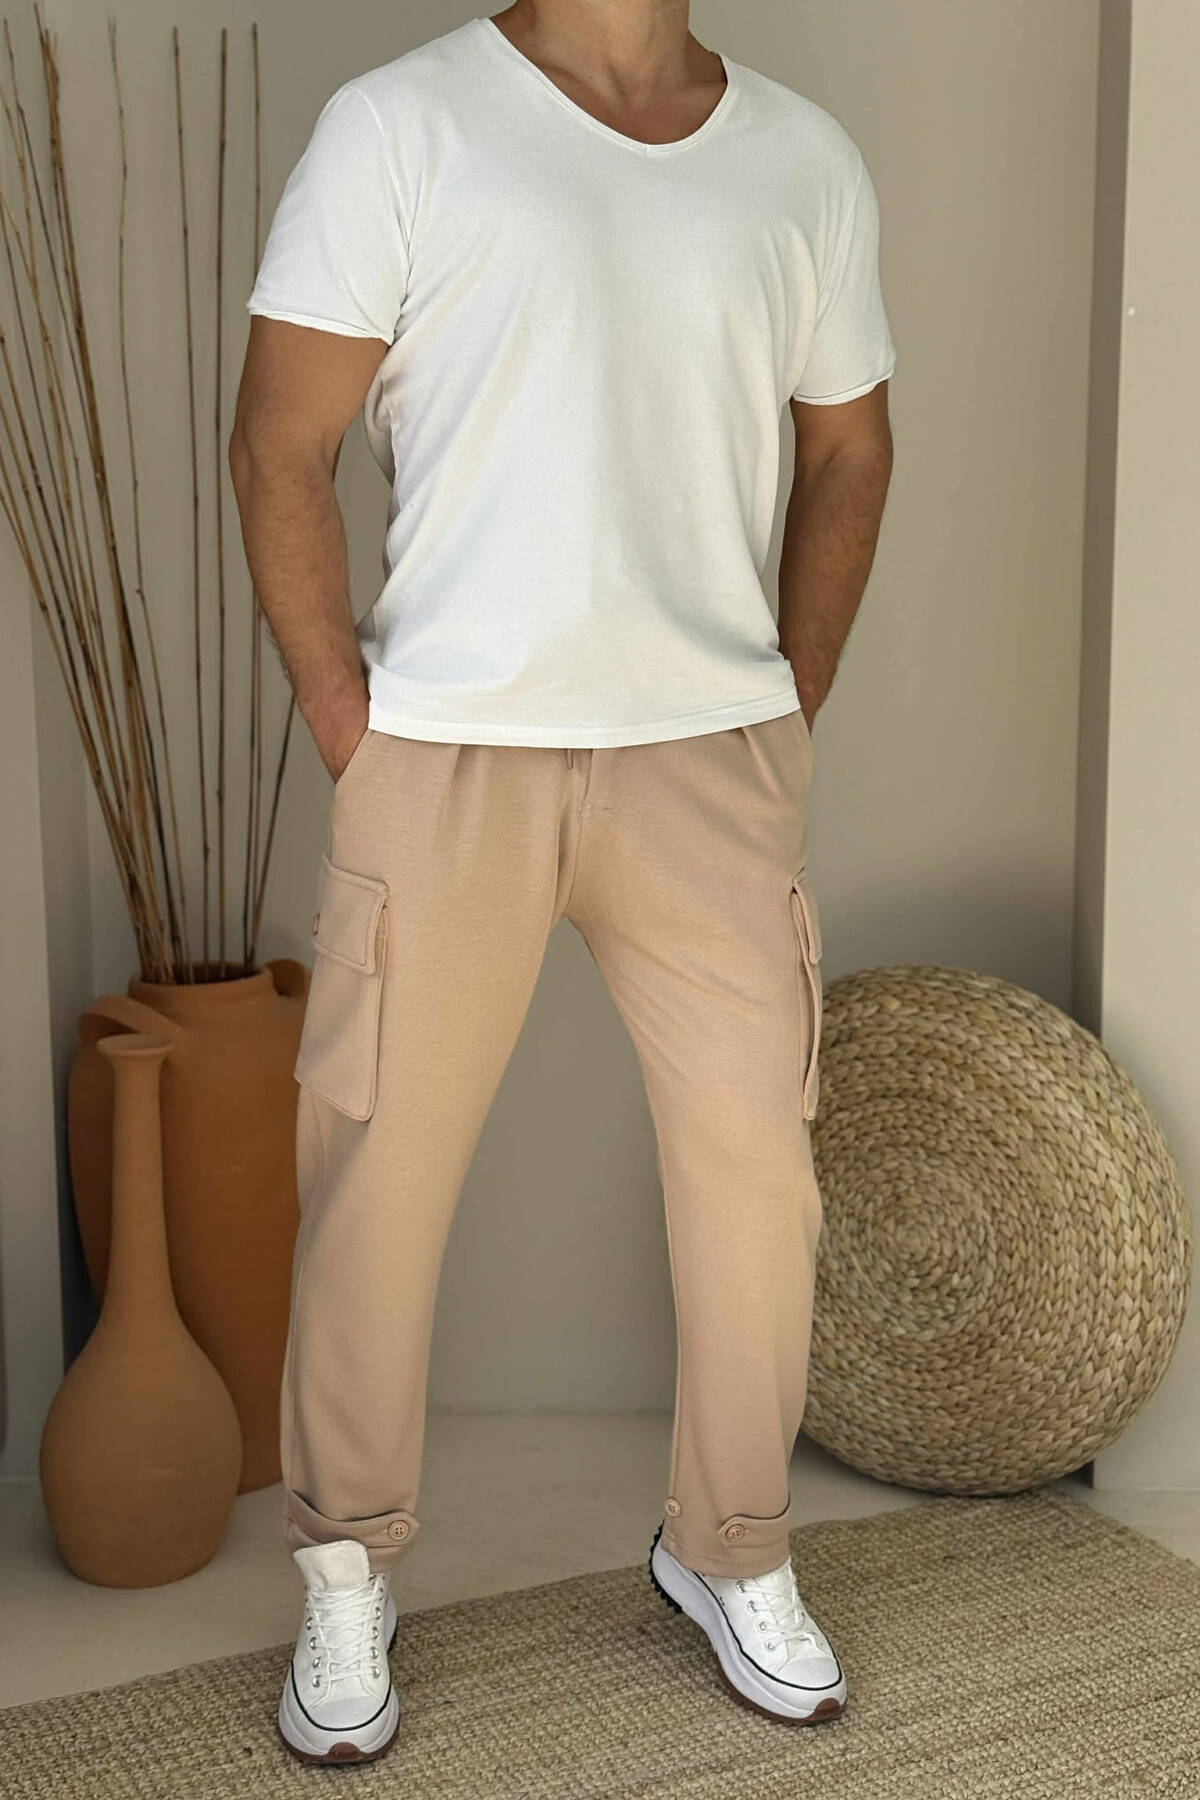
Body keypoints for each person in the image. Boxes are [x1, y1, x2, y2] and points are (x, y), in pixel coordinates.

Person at [229, 0, 895, 1766]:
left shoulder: (803, 159)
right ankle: (345, 1569)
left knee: (759, 1179)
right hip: (445, 753)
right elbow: (278, 440)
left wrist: (786, 705)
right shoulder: (400, 126)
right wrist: (355, 731)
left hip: (710, 759)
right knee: (377, 1179)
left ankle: (731, 1544)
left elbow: (851, 446)